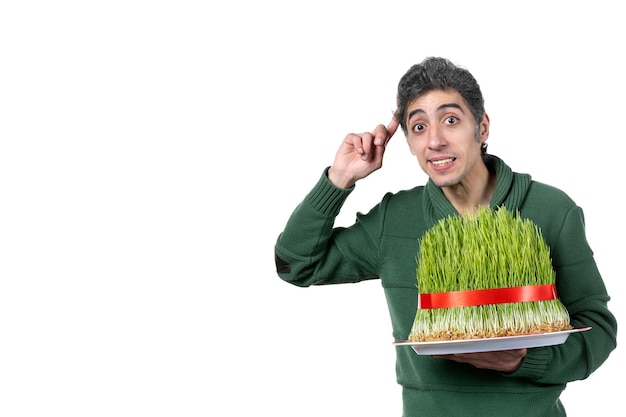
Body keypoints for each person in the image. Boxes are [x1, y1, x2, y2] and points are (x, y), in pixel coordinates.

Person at [273, 57, 617, 417]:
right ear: (409, 144)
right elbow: (295, 265)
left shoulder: (550, 209)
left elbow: (598, 328)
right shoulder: (396, 219)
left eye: (450, 120)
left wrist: (523, 362)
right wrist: (338, 179)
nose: (435, 140)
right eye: (418, 127)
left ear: (481, 128)